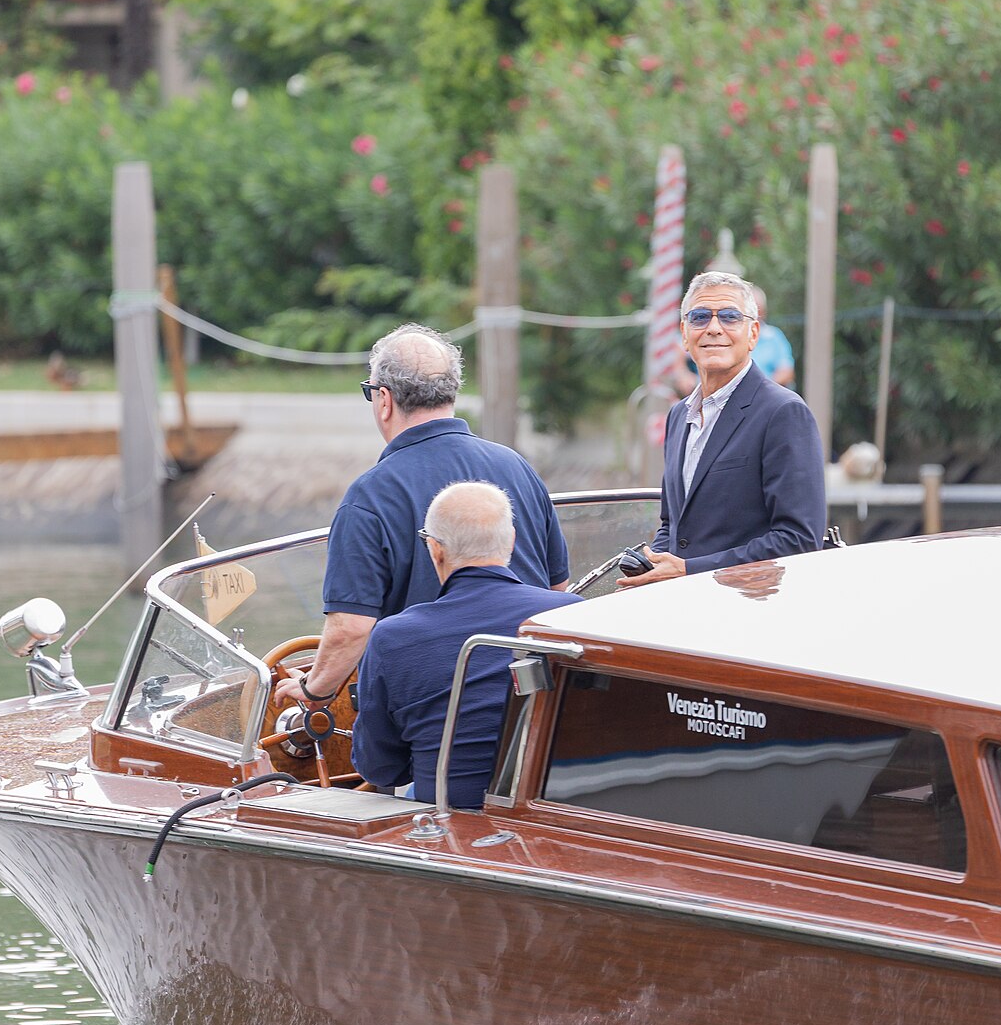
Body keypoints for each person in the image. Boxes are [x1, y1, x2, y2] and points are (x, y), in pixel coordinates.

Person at [274, 324, 569, 709]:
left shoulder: (370, 496)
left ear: (384, 399)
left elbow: (351, 629)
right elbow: (556, 589)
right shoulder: (517, 467)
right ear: (451, 392)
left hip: (432, 710)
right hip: (531, 703)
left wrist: (316, 691)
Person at [352, 481, 582, 807]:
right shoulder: (569, 616)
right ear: (511, 540)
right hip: (555, 812)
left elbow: (382, 769)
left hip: (450, 821)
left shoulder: (392, 638)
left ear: (435, 549)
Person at [619, 271, 825, 588]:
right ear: (684, 334)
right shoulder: (678, 416)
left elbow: (799, 540)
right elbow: (672, 523)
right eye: (700, 317)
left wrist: (690, 569)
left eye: (730, 317)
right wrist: (653, 563)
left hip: (749, 614)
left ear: (753, 333)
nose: (714, 328)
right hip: (678, 613)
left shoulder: (782, 413)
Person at [749, 286, 795, 388]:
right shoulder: (732, 337)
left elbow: (786, 371)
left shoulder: (774, 336)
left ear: (763, 311)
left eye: (755, 309)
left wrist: (761, 389)